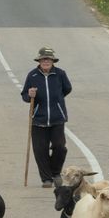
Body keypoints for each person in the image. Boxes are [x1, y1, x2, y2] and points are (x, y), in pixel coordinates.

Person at [21, 47, 72, 187]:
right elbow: (24, 96)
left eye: (48, 59)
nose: (46, 61)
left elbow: (67, 89)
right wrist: (30, 95)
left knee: (60, 147)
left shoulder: (60, 74)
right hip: (38, 120)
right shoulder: (32, 76)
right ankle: (46, 179)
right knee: (40, 150)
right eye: (43, 59)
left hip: (57, 119)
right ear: (39, 60)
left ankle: (55, 172)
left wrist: (57, 102)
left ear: (52, 61)